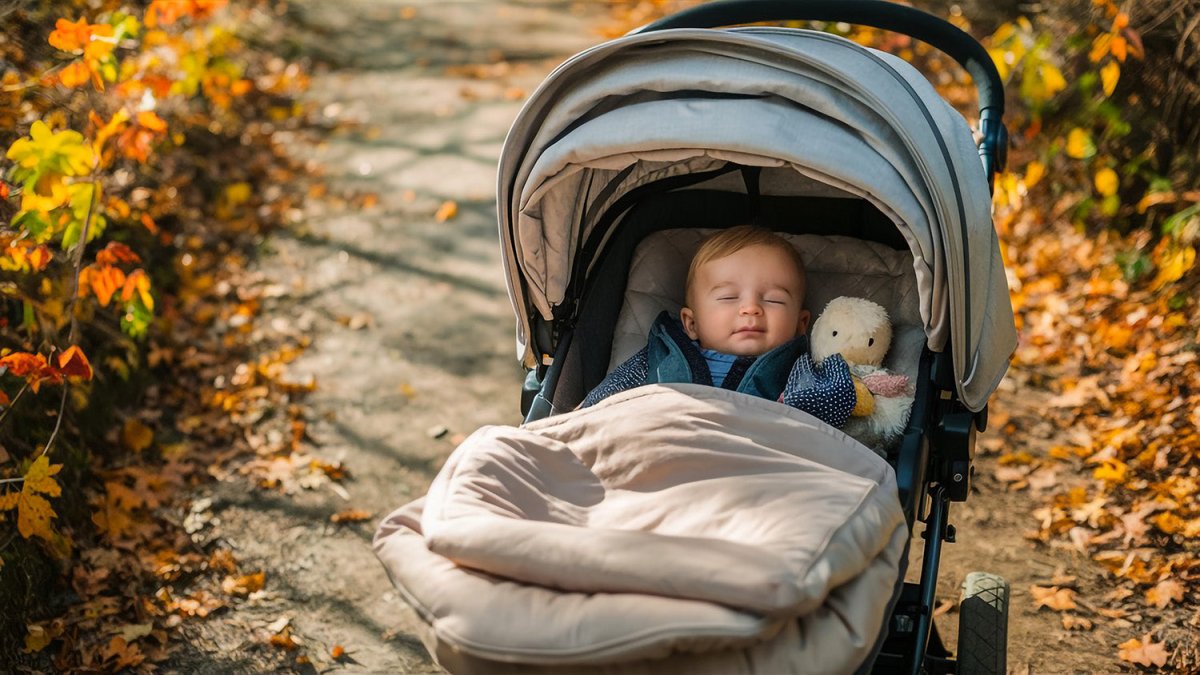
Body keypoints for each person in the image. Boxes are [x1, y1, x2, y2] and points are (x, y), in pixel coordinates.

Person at [582, 225, 858, 428]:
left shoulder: (799, 370)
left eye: (774, 299)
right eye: (728, 297)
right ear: (691, 323)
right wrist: (578, 418)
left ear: (801, 325)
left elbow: (828, 419)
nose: (750, 308)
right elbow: (604, 403)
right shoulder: (662, 356)